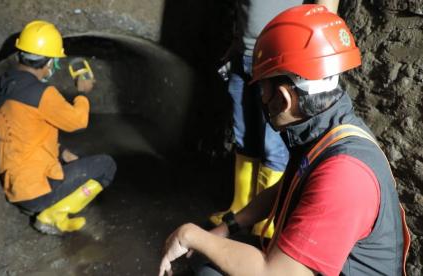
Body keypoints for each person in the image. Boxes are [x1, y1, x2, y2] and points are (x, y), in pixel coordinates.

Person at [160, 5, 410, 276]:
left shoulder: (344, 173)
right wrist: (227, 227)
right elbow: (285, 188)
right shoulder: (326, 133)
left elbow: (275, 274)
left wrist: (190, 234)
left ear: (283, 97)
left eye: (262, 87)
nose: (262, 98)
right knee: (212, 261)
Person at [210, 0, 340, 238]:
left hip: (280, 56)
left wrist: (316, 59)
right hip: (245, 53)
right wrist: (237, 43)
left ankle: (268, 222)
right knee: (244, 136)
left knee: (273, 144)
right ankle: (239, 207)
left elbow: (325, 11)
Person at [0, 20, 116, 235]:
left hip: (16, 189)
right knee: (106, 166)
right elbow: (78, 121)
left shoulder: (1, 86)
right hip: (38, 194)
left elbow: (22, 132)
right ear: (49, 62)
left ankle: (44, 207)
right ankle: (54, 214)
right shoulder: (42, 93)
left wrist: (62, 153)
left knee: (75, 157)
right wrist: (82, 93)